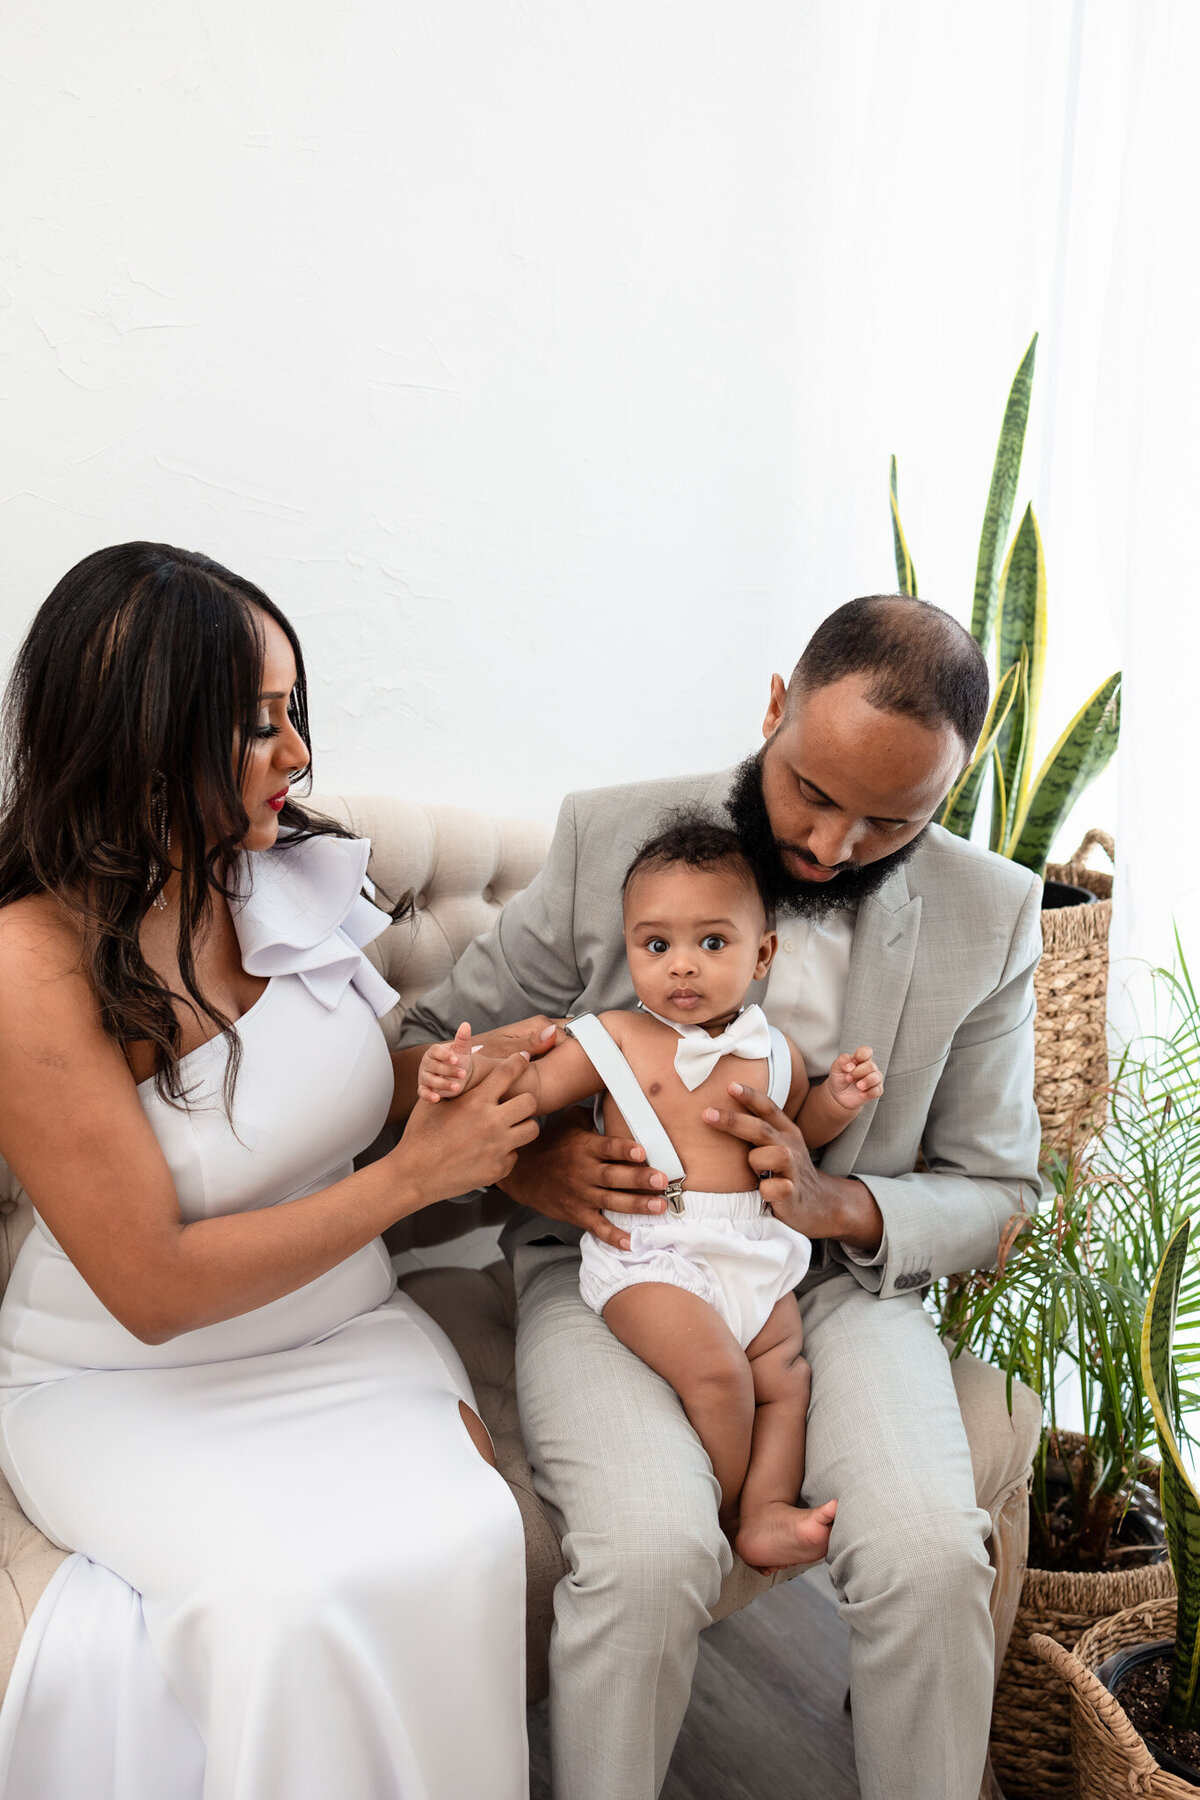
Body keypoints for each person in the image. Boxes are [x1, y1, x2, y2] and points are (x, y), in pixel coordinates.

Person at [398, 595, 1044, 1800]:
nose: (834, 845)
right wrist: (536, 1163)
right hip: (618, 1268)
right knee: (645, 1556)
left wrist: (836, 1203)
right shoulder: (608, 836)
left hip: (832, 1289)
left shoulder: (992, 912)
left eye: (891, 819)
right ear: (772, 709)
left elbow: (1002, 1188)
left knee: (928, 1555)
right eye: (812, 790)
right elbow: (434, 1041)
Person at [0, 543, 538, 1800]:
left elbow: (331, 1094)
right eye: (257, 726)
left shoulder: (278, 866)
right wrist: (419, 1179)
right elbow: (152, 1287)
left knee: (463, 1533)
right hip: (129, 1381)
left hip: (351, 1336)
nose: (297, 755)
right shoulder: (33, 961)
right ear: (143, 738)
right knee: (285, 1602)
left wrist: (460, 1081)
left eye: (296, 715)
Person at [419, 814, 883, 1572]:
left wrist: (840, 1101)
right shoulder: (615, 1038)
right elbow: (530, 1087)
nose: (683, 968)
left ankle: (767, 1507)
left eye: (712, 942)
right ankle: (726, 1514)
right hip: (652, 1253)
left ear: (762, 953)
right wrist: (463, 1073)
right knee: (720, 1375)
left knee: (784, 1382)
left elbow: (798, 1132)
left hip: (752, 1250)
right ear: (630, 945)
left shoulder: (775, 1052)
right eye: (656, 945)